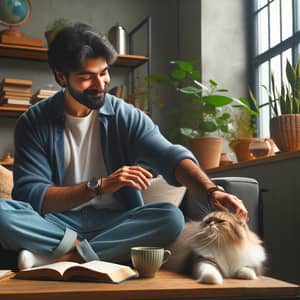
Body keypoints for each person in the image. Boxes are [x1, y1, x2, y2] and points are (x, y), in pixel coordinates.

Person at [0, 23, 248, 270]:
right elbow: (32, 196)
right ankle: (93, 253)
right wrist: (101, 186)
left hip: (115, 223)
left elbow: (169, 155)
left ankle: (64, 258)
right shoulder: (33, 122)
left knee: (170, 217)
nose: (100, 84)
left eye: (104, 72)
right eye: (86, 77)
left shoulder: (125, 116)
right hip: (55, 222)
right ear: (61, 76)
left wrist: (211, 190)